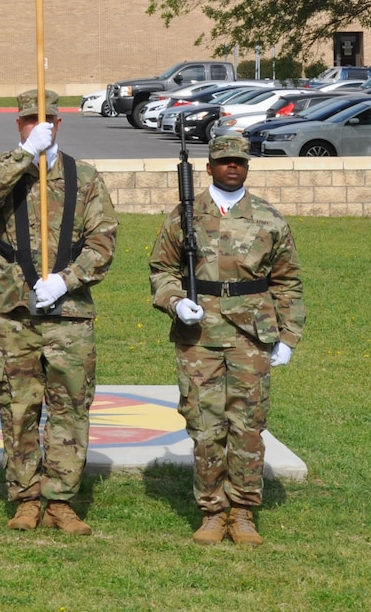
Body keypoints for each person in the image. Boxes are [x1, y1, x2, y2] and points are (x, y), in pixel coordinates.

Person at [0, 88, 117, 536]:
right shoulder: (0, 169)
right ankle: (26, 498)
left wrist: (66, 280)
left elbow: (103, 241)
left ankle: (61, 500)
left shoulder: (85, 177)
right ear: (18, 124)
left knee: (70, 406)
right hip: (14, 313)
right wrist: (22, 155)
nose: (39, 125)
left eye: (46, 118)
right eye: (29, 119)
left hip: (68, 314)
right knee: (18, 407)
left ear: (59, 121)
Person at [150, 130, 306, 547]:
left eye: (240, 160)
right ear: (209, 167)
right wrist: (176, 301)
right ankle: (213, 510)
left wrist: (288, 337)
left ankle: (243, 511)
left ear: (247, 166)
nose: (232, 166)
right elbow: (160, 271)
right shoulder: (184, 214)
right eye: (224, 161)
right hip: (198, 335)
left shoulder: (269, 219)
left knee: (248, 425)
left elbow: (287, 282)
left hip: (250, 335)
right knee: (204, 424)